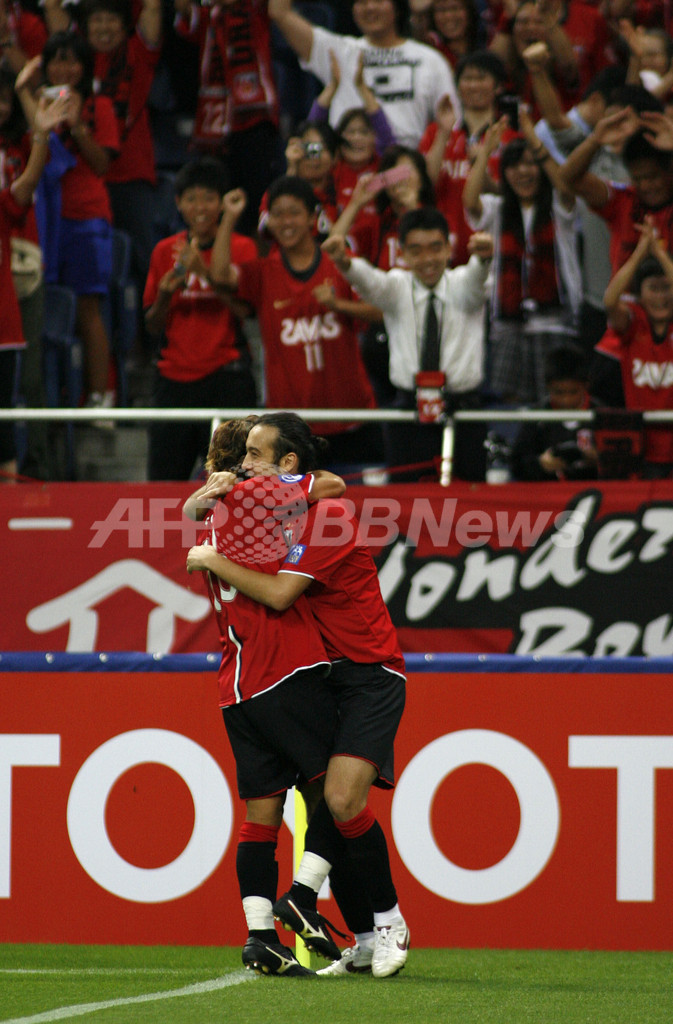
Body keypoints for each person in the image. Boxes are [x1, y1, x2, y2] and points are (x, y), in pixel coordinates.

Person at [187, 411, 410, 979]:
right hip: (326, 674)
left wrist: (210, 552)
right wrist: (208, 502)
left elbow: (282, 593)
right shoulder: (274, 513)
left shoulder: (327, 515)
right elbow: (202, 510)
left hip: (370, 673)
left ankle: (385, 921)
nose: (246, 467)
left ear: (287, 464)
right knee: (329, 804)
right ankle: (362, 936)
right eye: (243, 455)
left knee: (339, 800)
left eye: (255, 455)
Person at [184, 417, 345, 977]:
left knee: (262, 814)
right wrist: (269, 476)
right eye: (249, 453)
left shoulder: (213, 513)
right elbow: (333, 485)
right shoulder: (259, 495)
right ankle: (303, 896)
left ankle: (259, 938)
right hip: (283, 669)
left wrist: (203, 498)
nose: (253, 463)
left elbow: (192, 513)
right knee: (338, 795)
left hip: (236, 684)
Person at [210, 177, 382, 467]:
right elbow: (219, 276)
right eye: (277, 214)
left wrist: (337, 305)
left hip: (351, 417)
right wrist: (229, 217)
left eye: (294, 212)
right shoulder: (264, 271)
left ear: (313, 218)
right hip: (290, 430)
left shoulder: (338, 262)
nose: (286, 222)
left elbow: (380, 310)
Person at [324, 208, 493, 481]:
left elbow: (477, 277)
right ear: (402, 253)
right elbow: (371, 283)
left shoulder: (463, 283)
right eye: (416, 250)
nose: (427, 259)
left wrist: (483, 258)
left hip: (464, 412)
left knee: (470, 499)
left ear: (449, 248)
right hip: (408, 413)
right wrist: (344, 262)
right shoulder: (397, 285)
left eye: (435, 248)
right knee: (408, 498)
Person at [15, 33, 120, 414]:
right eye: (57, 60)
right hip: (44, 219)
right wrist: (23, 90)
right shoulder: (38, 104)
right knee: (45, 310)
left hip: (86, 217)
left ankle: (100, 396)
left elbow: (102, 164)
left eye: (73, 60)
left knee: (87, 307)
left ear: (85, 66)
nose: (65, 68)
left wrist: (76, 126)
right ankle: (53, 398)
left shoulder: (99, 106)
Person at [143, 156, 257, 481]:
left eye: (208, 198)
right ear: (178, 203)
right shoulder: (164, 251)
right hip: (173, 381)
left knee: (234, 485)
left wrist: (203, 272)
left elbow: (246, 312)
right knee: (165, 485)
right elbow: (152, 325)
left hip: (227, 376)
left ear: (222, 203)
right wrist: (165, 295)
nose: (200, 207)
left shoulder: (242, 247)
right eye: (191, 199)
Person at [463, 109, 581, 405]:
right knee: (511, 401)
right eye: (514, 165)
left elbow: (565, 185)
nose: (523, 172)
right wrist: (486, 152)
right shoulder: (498, 209)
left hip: (555, 322)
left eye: (530, 164)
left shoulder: (559, 207)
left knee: (553, 399)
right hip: (508, 323)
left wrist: (532, 136)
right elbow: (470, 200)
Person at [268, 0, 459, 149]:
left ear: (397, 7)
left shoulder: (430, 60)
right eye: (362, 2)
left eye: (378, 1)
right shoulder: (340, 51)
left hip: (410, 165)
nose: (370, 7)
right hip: (347, 165)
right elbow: (279, 13)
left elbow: (453, 123)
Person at [0, 90, 70, 482]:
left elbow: (26, 185)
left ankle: (8, 506)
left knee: (3, 429)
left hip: (3, 334)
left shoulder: (2, 206)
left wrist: (40, 137)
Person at [174, 0, 280, 238]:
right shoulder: (207, 15)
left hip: (255, 121)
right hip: (215, 128)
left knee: (256, 209)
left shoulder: (257, 9)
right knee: (216, 209)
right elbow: (182, 9)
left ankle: (256, 256)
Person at [419, 49, 514, 267]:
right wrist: (443, 133)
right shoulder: (436, 132)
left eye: (481, 78)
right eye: (467, 79)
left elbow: (509, 194)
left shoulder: (509, 138)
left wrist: (481, 165)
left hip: (489, 245)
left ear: (498, 86)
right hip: (441, 245)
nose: (473, 85)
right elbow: (425, 184)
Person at [599, 216, 673, 477]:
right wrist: (641, 252)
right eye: (653, 288)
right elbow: (610, 301)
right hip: (640, 450)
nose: (661, 296)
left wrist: (660, 254)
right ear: (640, 295)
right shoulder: (633, 325)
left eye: (667, 288)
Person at [510, 343, 599, 480]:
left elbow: (621, 465)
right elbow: (516, 466)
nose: (566, 400)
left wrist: (598, 459)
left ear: (586, 386)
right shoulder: (536, 417)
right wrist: (540, 464)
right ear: (548, 387)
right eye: (559, 392)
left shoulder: (602, 415)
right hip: (548, 491)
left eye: (573, 392)